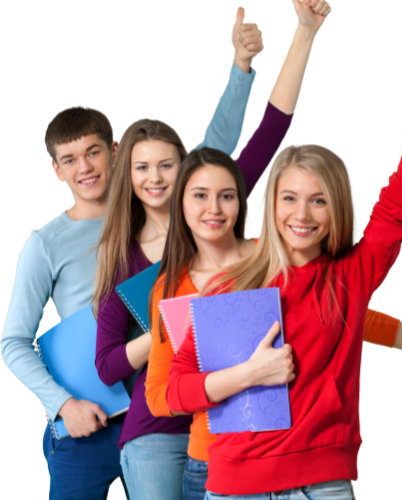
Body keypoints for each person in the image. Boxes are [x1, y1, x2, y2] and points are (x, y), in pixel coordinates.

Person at [166, 36, 402, 498]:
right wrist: (249, 374)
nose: (301, 215)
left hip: (321, 484)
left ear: (336, 209)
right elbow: (175, 393)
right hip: (235, 487)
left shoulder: (350, 278)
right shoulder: (231, 286)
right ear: (271, 204)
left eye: (318, 201)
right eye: (289, 198)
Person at [1, 8, 262, 499]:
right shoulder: (46, 243)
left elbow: (216, 149)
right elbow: (13, 341)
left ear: (116, 150)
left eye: (94, 152)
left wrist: (241, 67)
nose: (86, 167)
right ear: (56, 170)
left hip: (170, 410)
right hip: (90, 421)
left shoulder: (170, 211)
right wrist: (62, 406)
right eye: (70, 160)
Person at [95, 3, 334, 498]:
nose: (155, 178)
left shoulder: (216, 211)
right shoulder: (126, 259)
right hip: (159, 432)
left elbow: (272, 129)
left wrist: (302, 34)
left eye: (167, 166)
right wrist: (179, 324)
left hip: (236, 423)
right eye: (141, 168)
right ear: (127, 173)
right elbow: (109, 366)